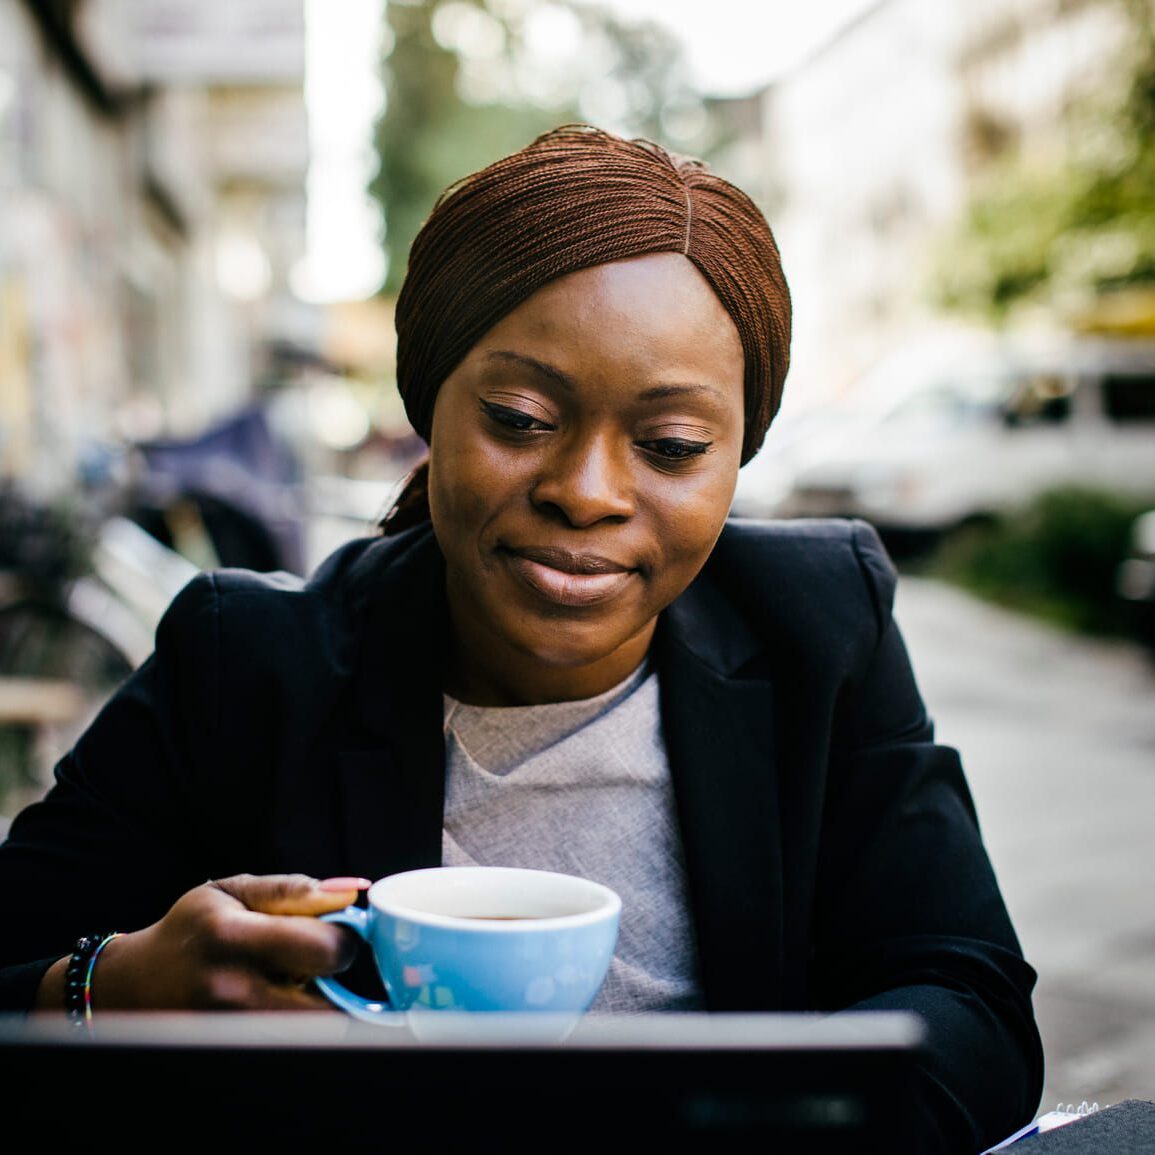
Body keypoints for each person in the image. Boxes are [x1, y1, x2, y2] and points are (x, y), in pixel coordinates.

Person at [0, 125, 1042, 1151]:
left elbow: (969, 999)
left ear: (738, 455)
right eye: (518, 418)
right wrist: (114, 984)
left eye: (671, 445)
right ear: (430, 405)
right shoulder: (246, 662)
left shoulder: (820, 623)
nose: (587, 493)